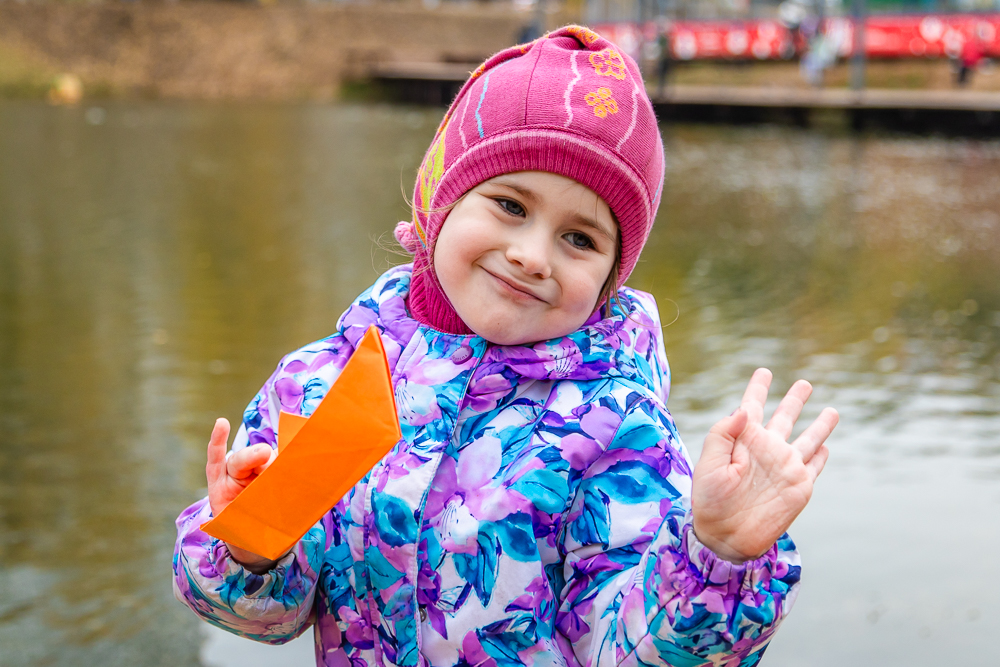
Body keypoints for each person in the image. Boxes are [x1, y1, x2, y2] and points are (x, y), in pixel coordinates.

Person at [173, 25, 838, 667]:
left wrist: (716, 555)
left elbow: (628, 650)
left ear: (609, 280)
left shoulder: (616, 426)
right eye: (511, 206)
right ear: (440, 199)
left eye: (579, 239)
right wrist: (250, 547)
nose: (531, 256)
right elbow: (269, 616)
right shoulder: (319, 382)